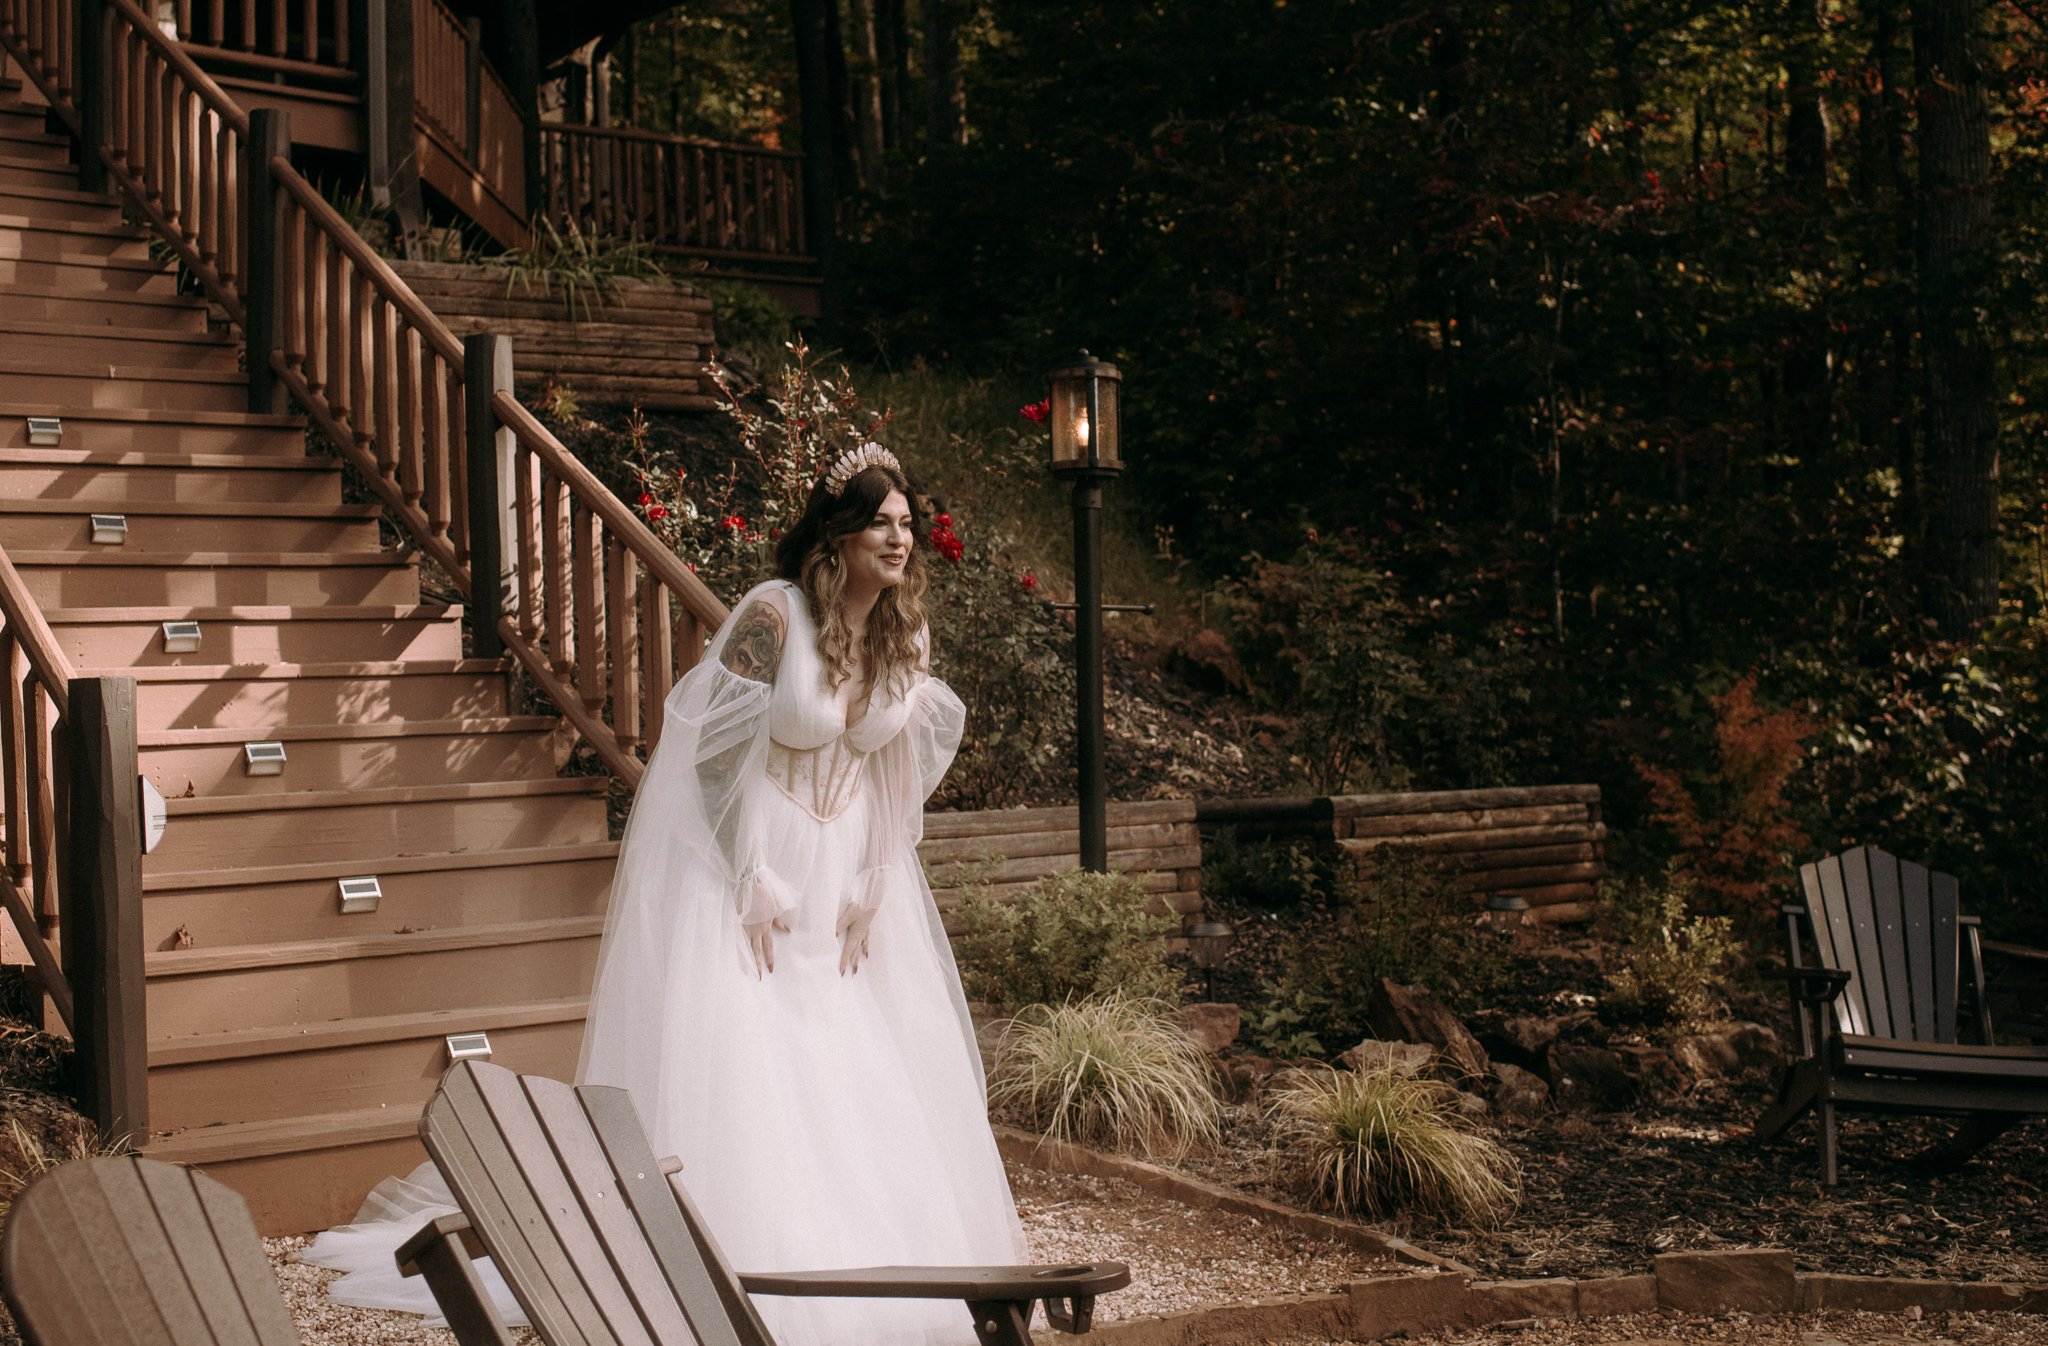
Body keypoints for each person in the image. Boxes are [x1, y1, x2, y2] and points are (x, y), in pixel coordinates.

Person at [304, 444, 1024, 1346]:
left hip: (844, 876)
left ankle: (880, 1259)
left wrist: (881, 874)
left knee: (853, 1055)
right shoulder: (777, 614)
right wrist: (748, 874)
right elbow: (712, 752)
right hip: (754, 868)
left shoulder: (902, 632)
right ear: (836, 534)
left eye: (908, 523)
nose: (899, 538)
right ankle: (732, 1267)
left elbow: (889, 765)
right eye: (880, 521)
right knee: (753, 1058)